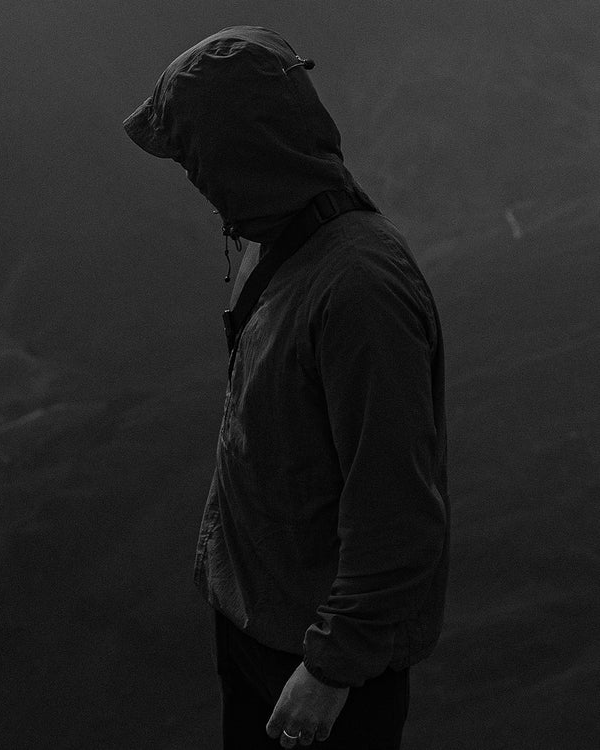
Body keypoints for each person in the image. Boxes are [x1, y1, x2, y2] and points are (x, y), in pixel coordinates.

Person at [123, 26, 449, 749]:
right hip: (259, 624)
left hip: (317, 661)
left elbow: (395, 504)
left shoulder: (359, 289)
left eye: (194, 157)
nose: (192, 179)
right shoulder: (282, 239)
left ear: (237, 154)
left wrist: (331, 668)